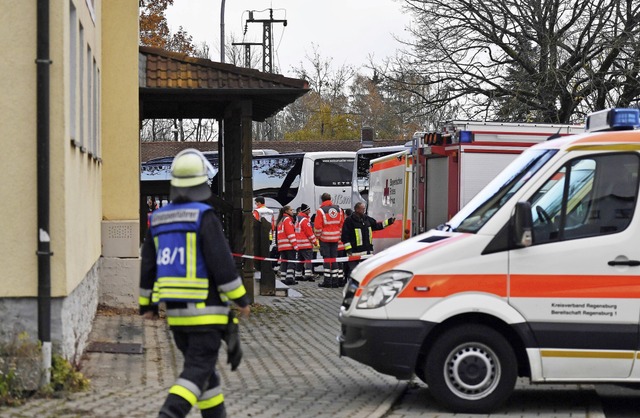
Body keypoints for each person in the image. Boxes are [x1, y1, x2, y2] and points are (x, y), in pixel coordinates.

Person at [139, 148, 251, 418]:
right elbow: (221, 262)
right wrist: (241, 299)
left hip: (177, 316)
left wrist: (148, 305)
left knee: (204, 374)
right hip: (206, 312)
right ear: (202, 183)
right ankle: (170, 413)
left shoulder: (158, 219)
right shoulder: (204, 216)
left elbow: (148, 265)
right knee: (198, 369)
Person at [341, 202, 395, 279]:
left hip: (367, 252)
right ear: (357, 209)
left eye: (364, 208)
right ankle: (352, 286)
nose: (364, 210)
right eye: (362, 209)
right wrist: (349, 249)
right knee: (353, 271)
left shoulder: (367, 219)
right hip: (354, 252)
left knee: (366, 271)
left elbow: (377, 226)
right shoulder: (349, 221)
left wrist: (389, 222)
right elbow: (345, 236)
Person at [314, 193, 345, 288]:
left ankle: (327, 281)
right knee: (334, 259)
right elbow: (341, 224)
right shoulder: (339, 210)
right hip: (335, 239)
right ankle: (335, 281)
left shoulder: (320, 211)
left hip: (325, 239)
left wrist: (318, 237)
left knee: (327, 260)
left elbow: (318, 227)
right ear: (330, 199)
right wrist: (338, 235)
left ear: (322, 200)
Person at [276, 205, 299, 285]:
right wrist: (295, 245)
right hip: (288, 245)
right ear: (286, 211)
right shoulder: (287, 220)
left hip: (282, 246)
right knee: (291, 262)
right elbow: (290, 233)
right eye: (291, 210)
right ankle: (289, 278)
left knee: (284, 262)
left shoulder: (280, 220)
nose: (292, 212)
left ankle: (283, 278)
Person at [294, 203, 317, 282]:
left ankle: (298, 274)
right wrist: (315, 242)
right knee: (308, 260)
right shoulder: (304, 220)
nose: (310, 211)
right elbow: (309, 233)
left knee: (300, 260)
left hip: (299, 244)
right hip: (306, 244)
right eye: (308, 210)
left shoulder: (298, 219)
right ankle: (308, 275)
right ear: (305, 211)